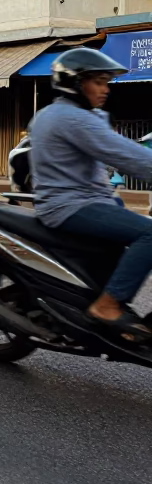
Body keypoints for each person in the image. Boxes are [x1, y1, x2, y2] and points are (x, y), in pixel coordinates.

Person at [31, 48, 152, 341]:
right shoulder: (72, 118)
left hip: (86, 200)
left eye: (107, 82)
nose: (105, 89)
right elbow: (130, 156)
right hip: (71, 206)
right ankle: (107, 306)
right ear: (74, 83)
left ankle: (108, 299)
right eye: (98, 82)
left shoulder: (58, 114)